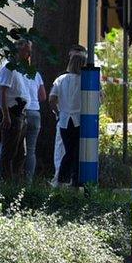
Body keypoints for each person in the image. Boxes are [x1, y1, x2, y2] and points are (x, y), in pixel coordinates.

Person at [50, 46, 87, 186]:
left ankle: (61, 179)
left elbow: (52, 99)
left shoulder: (60, 79)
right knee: (77, 152)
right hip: (79, 120)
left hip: (64, 120)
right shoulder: (85, 80)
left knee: (68, 150)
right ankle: (74, 180)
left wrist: (58, 113)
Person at [0, 40, 31, 181]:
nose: (29, 54)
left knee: (20, 152)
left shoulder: (19, 68)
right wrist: (6, 115)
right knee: (9, 151)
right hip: (11, 113)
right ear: (18, 51)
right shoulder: (8, 67)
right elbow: (2, 90)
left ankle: (16, 181)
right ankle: (6, 183)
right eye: (27, 51)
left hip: (20, 114)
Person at [22, 69, 46, 181]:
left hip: (20, 112)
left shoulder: (14, 72)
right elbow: (43, 96)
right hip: (35, 112)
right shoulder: (36, 74)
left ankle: (13, 179)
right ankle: (28, 181)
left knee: (16, 148)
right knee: (31, 150)